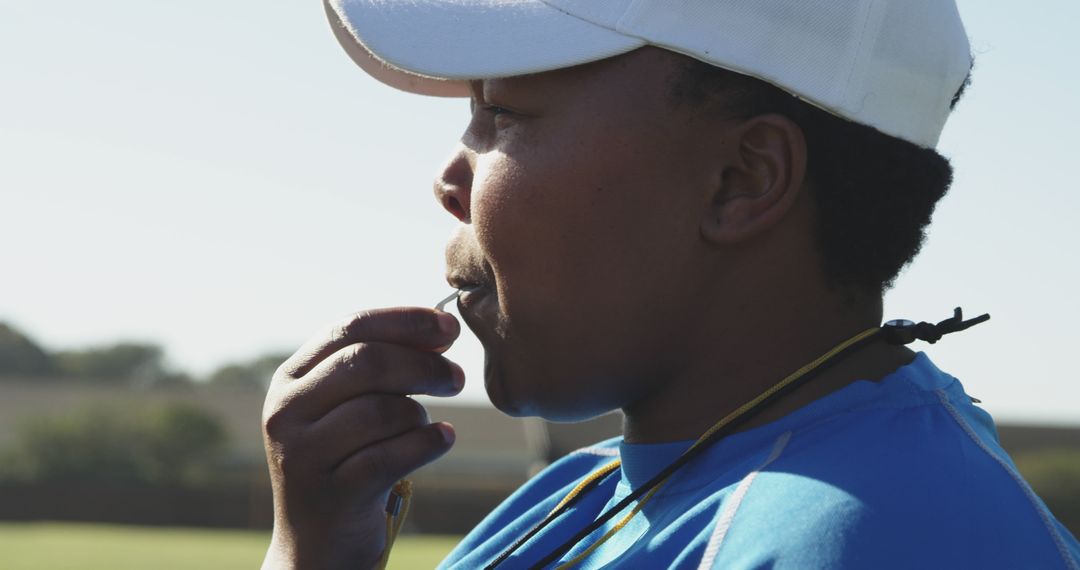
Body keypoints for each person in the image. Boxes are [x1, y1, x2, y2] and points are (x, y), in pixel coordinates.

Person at [260, 1, 1080, 568]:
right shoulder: (577, 497)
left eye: (501, 114)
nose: (450, 177)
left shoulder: (887, 538)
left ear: (739, 179)